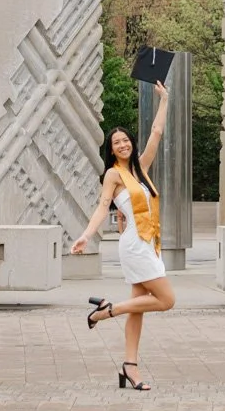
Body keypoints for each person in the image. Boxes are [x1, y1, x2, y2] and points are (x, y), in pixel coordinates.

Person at [71, 80, 174, 391]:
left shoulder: (141, 169)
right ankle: (106, 312)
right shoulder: (113, 175)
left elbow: (156, 133)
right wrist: (86, 236)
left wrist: (165, 100)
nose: (122, 145)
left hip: (150, 243)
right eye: (116, 143)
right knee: (166, 300)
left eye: (125, 140)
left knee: (140, 308)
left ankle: (130, 366)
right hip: (135, 246)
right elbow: (103, 209)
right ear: (111, 149)